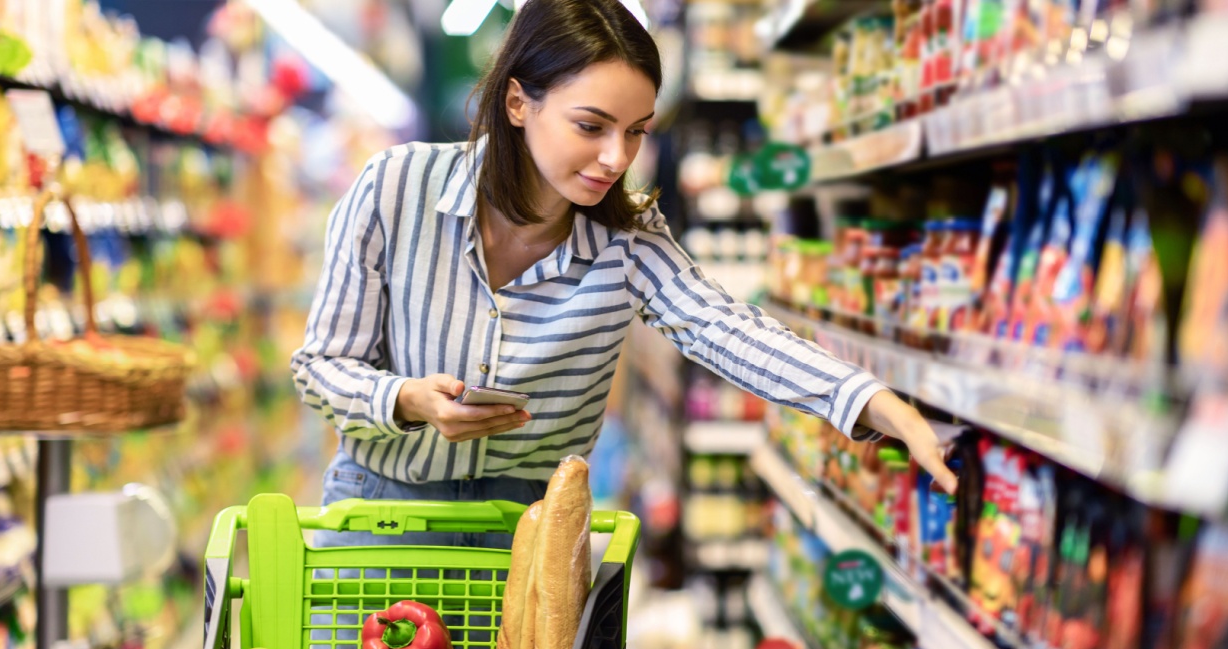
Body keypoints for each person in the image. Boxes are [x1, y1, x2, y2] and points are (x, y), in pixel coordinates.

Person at [291, 0, 956, 551]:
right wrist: (408, 401)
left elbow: (728, 331)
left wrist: (875, 403)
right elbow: (321, 365)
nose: (616, 158)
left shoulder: (628, 241)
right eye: (591, 125)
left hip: (531, 537)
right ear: (519, 102)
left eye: (636, 132)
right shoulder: (397, 186)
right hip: (378, 522)